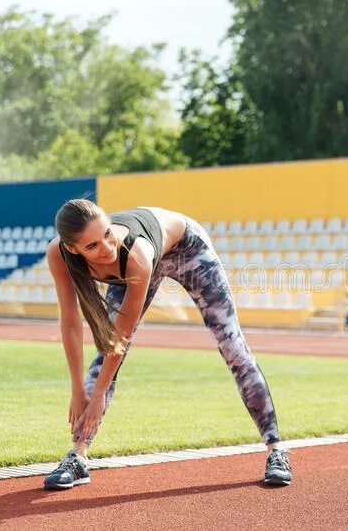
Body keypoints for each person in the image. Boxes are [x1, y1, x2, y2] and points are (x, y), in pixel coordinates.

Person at [43, 199, 292, 489]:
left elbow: (121, 337)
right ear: (72, 248)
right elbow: (71, 321)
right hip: (142, 262)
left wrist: (98, 398)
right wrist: (77, 389)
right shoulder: (58, 254)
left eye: (108, 234)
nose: (107, 248)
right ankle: (78, 456)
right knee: (102, 359)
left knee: (232, 345)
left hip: (187, 249)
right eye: (93, 246)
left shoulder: (134, 253)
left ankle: (276, 450)